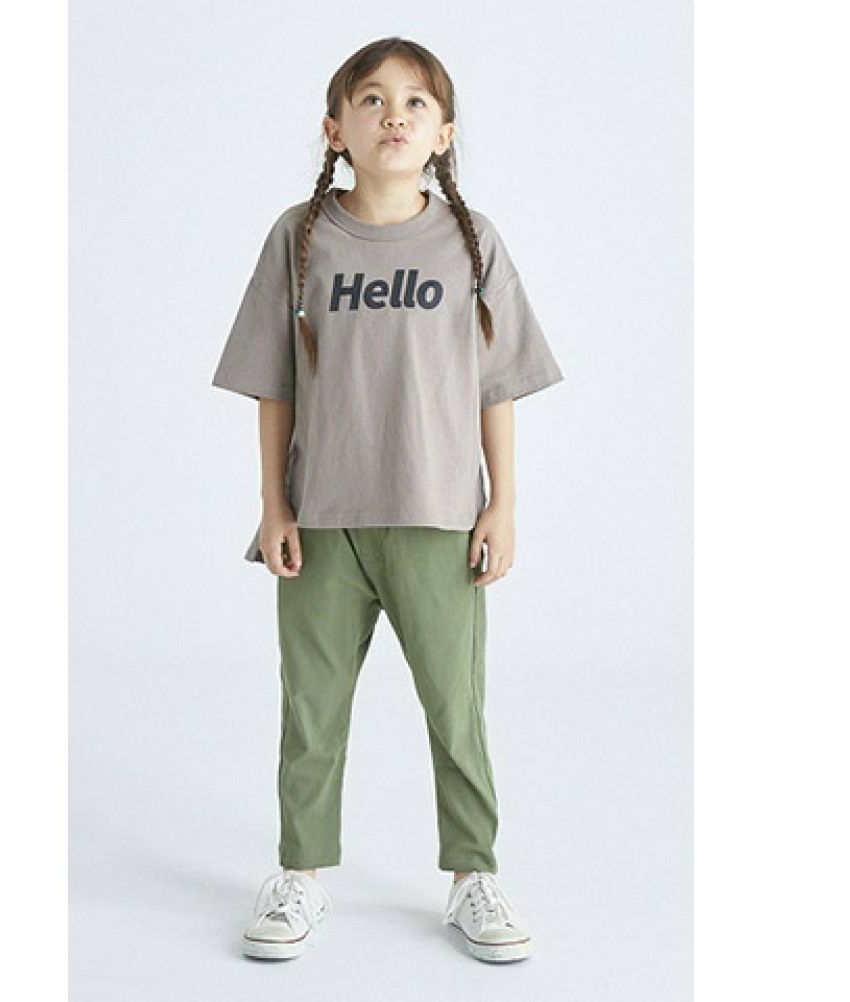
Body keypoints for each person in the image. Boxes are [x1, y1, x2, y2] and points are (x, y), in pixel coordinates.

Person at [211, 37, 565, 963]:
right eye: (371, 100)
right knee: (311, 708)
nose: (394, 116)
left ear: (444, 133)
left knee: (456, 708)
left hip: (440, 517)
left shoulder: (471, 241)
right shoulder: (299, 237)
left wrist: (503, 504)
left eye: (416, 103)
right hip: (322, 520)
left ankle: (473, 875)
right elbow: (273, 383)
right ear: (336, 129)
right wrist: (273, 506)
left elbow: (496, 385)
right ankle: (299, 872)